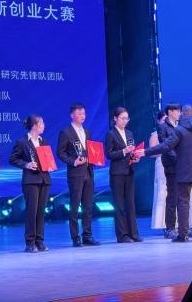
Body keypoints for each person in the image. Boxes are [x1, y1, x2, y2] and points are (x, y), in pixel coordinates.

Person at [143, 115, 192, 242]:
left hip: (184, 172)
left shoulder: (179, 131)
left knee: (183, 203)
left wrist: (146, 152)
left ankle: (183, 235)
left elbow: (166, 146)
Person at [56, 103, 100, 247]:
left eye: (84, 114)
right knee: (75, 206)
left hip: (88, 171)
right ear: (72, 115)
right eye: (79, 114)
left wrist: (96, 158)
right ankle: (75, 237)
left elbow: (90, 149)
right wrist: (73, 161)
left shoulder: (87, 131)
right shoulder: (66, 132)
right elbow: (60, 152)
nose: (82, 116)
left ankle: (87, 235)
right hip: (75, 173)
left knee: (88, 206)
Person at [9, 114, 52, 253]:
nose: (44, 125)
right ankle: (30, 242)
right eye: (41, 123)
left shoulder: (43, 141)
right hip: (31, 181)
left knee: (41, 212)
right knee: (32, 211)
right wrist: (26, 164)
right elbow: (13, 159)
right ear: (34, 126)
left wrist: (50, 164)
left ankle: (40, 241)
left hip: (44, 179)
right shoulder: (22, 142)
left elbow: (47, 158)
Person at [105, 107, 141, 243]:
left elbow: (132, 150)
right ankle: (122, 235)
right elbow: (109, 154)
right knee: (119, 205)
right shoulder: (111, 134)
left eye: (127, 118)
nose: (125, 121)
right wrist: (124, 151)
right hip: (117, 173)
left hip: (129, 170)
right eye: (122, 118)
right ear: (115, 118)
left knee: (130, 203)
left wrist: (134, 156)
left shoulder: (129, 133)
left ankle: (134, 233)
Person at [149, 111, 169, 232]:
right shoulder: (155, 135)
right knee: (162, 192)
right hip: (161, 164)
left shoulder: (173, 133)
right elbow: (151, 153)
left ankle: (177, 223)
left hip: (173, 164)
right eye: (163, 120)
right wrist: (165, 150)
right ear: (158, 121)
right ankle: (163, 224)